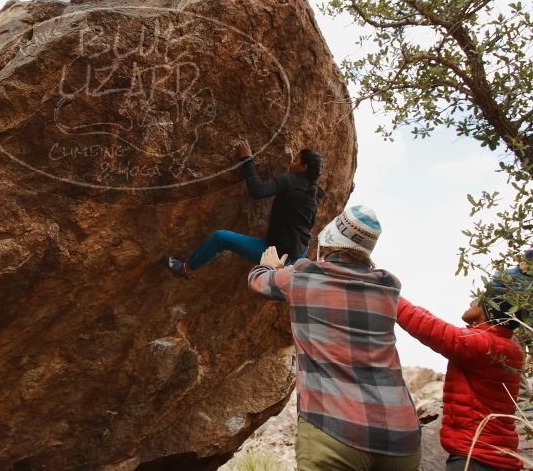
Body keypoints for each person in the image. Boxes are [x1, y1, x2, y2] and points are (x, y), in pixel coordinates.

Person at [248, 205, 421, 471]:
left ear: (331, 240)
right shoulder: (388, 287)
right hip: (401, 438)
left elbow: (258, 281)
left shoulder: (303, 276)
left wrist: (269, 266)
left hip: (335, 431)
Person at [396, 252, 530, 471]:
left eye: (478, 298)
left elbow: (427, 326)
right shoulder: (506, 347)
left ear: (489, 308)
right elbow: (431, 321)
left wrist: (387, 293)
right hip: (495, 457)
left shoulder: (484, 345)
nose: (471, 301)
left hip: (475, 459)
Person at [164, 142, 324, 279]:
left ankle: (184, 268)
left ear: (304, 167)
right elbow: (308, 224)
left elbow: (258, 191)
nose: (292, 161)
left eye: (296, 160)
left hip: (277, 257)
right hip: (298, 255)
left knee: (220, 238)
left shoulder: (291, 180)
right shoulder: (315, 193)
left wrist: (247, 160)